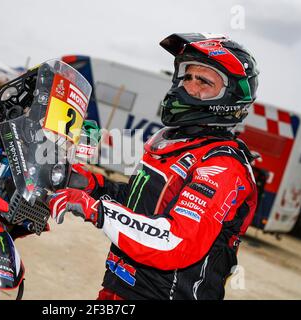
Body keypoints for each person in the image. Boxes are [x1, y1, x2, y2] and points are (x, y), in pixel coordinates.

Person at [48, 33, 259, 300]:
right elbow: (139, 204)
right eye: (187, 76)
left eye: (204, 81)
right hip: (120, 288)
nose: (188, 87)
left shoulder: (222, 164)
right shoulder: (170, 141)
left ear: (230, 98)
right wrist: (90, 185)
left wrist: (95, 209)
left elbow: (176, 242)